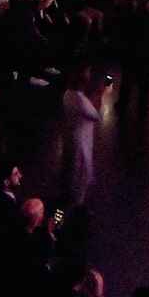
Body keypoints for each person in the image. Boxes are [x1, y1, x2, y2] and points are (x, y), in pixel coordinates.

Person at [62, 69, 107, 210]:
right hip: (82, 140)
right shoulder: (81, 100)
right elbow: (97, 115)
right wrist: (103, 95)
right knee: (81, 172)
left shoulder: (68, 94)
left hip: (71, 135)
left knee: (71, 169)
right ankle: (77, 206)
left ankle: (68, 198)